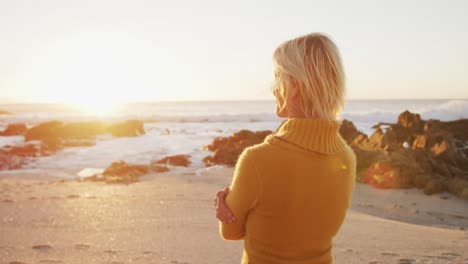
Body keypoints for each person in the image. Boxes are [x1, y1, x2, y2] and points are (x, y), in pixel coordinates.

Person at [214, 33, 357, 264]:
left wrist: (224, 208)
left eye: (277, 77)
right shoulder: (347, 158)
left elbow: (230, 233)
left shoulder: (257, 160)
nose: (273, 89)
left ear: (295, 86)